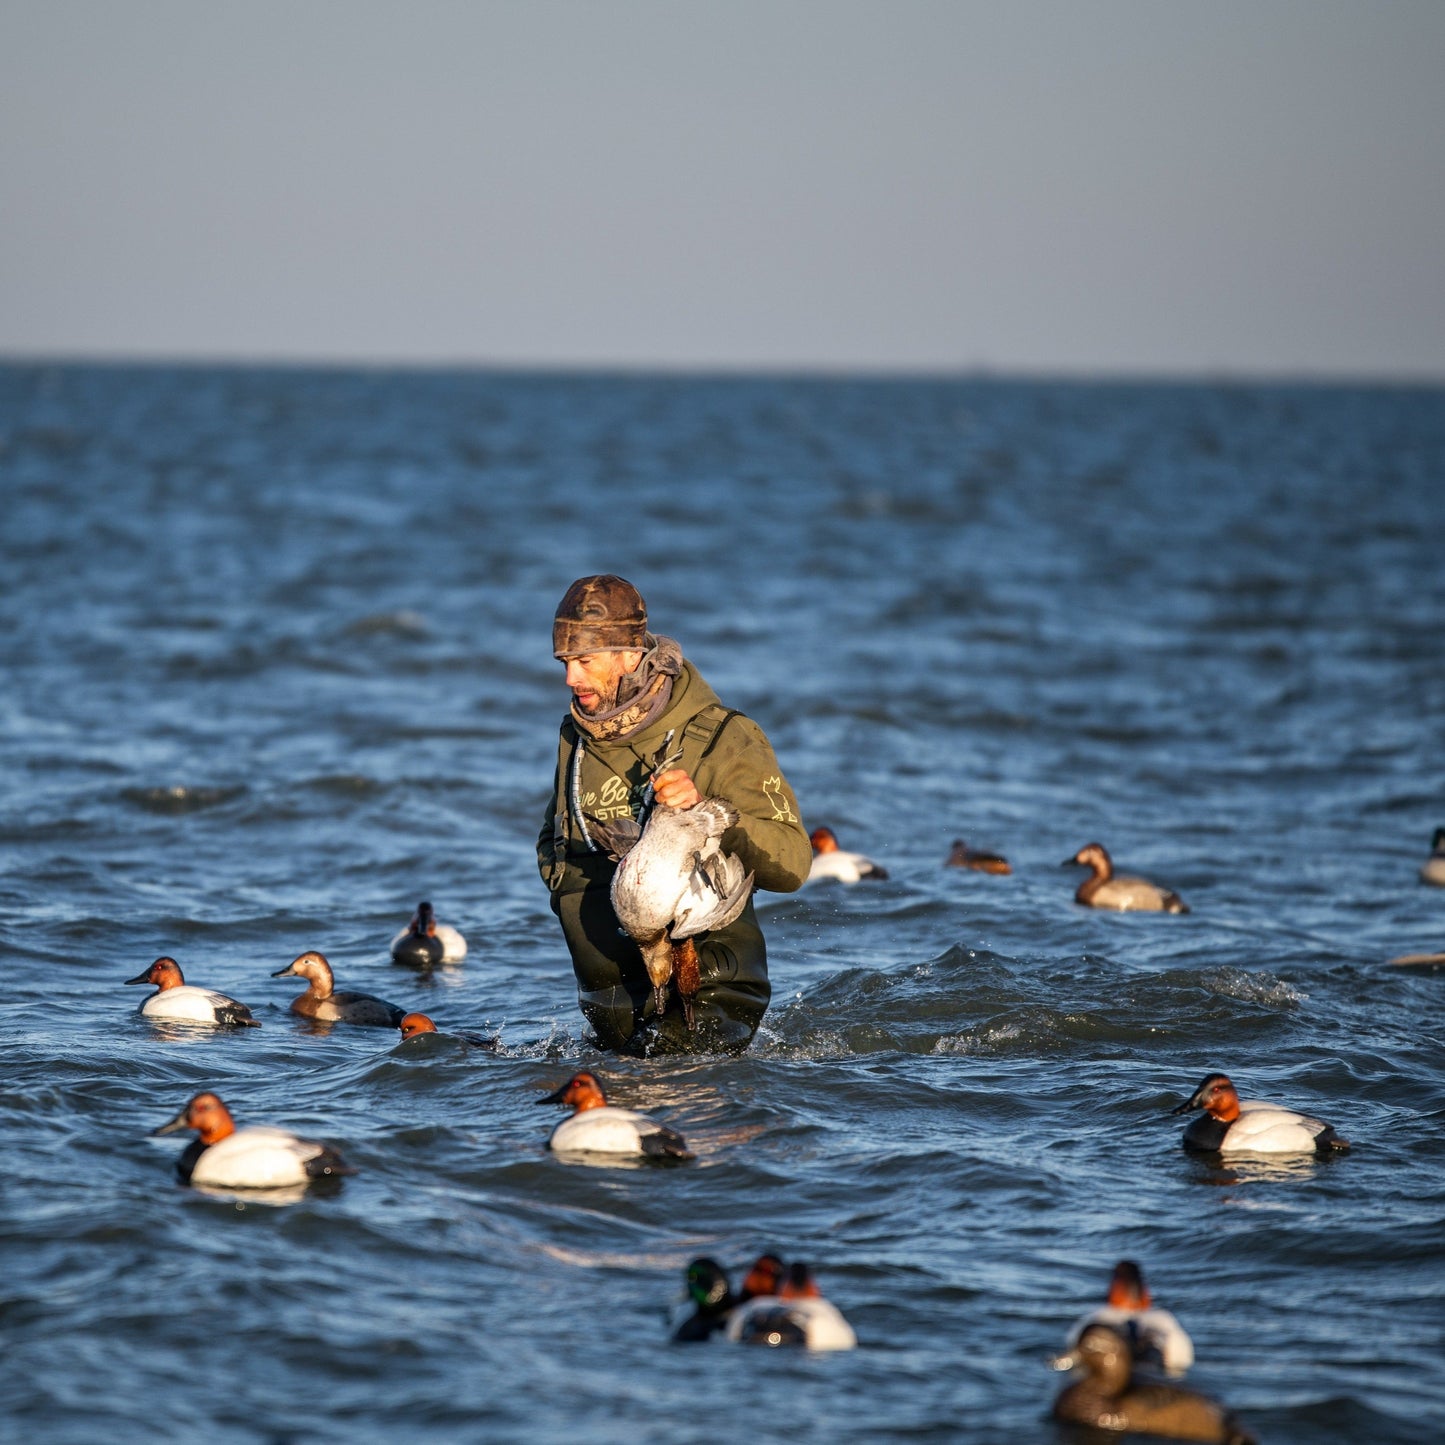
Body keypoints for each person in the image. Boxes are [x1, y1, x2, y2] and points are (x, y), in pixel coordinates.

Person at [538, 575, 810, 1054]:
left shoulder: (726, 736)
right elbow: (554, 842)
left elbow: (794, 865)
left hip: (705, 994)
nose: (570, 679)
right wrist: (567, 895)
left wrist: (709, 814)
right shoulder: (575, 740)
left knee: (675, 1098)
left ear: (629, 655)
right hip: (610, 1006)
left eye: (583, 662)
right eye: (565, 663)